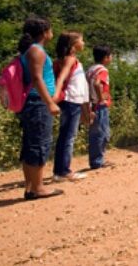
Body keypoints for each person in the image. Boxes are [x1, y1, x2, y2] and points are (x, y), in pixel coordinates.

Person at [17, 17, 63, 200]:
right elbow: (37, 79)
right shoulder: (37, 51)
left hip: (32, 102)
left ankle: (31, 187)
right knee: (39, 144)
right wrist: (50, 102)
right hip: (38, 102)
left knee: (31, 143)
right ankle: (38, 188)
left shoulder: (29, 50)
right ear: (44, 32)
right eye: (50, 29)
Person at [52, 31, 89, 182]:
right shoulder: (70, 59)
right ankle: (64, 171)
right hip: (71, 100)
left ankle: (59, 170)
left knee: (65, 136)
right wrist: (55, 93)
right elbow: (62, 76)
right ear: (73, 45)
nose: (84, 43)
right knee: (68, 137)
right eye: (81, 40)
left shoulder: (67, 59)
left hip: (71, 100)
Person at [87, 45, 113, 169]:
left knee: (94, 133)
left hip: (90, 104)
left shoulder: (90, 69)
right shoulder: (102, 70)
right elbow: (98, 83)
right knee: (103, 132)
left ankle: (95, 160)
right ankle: (98, 160)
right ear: (106, 58)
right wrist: (101, 99)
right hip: (99, 105)